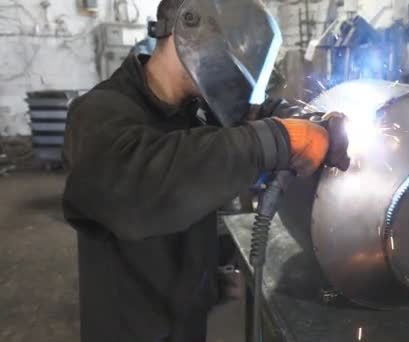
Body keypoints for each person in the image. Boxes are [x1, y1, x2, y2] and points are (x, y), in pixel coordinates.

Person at [62, 0, 349, 341]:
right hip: (132, 327)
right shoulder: (97, 113)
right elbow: (140, 186)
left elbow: (252, 113)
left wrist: (308, 121)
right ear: (190, 24)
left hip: (186, 318)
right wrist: (277, 140)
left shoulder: (196, 107)